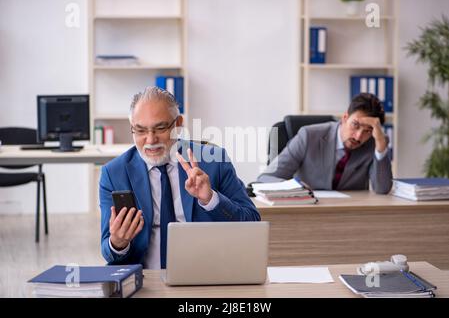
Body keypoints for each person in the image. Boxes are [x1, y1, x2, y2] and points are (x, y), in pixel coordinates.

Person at [99, 86, 260, 268]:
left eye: (160, 128)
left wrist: (211, 199)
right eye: (140, 130)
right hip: (144, 280)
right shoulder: (114, 173)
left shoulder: (215, 162)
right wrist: (118, 243)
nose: (151, 140)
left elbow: (252, 224)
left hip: (206, 275)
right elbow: (107, 250)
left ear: (178, 124)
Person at [257, 93, 392, 194]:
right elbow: (266, 178)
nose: (358, 136)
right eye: (355, 125)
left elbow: (382, 189)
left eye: (367, 131)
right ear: (345, 117)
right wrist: (295, 187)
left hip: (350, 215)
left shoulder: (375, 142)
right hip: (306, 211)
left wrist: (380, 144)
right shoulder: (308, 136)